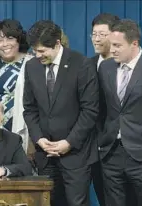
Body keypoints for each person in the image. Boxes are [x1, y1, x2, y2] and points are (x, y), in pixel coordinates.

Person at [23, 20, 99, 206]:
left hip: (75, 155)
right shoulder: (31, 66)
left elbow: (90, 110)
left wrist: (69, 142)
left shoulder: (81, 64)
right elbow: (30, 108)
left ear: (57, 43)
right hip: (45, 155)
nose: (37, 55)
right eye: (34, 50)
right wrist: (38, 139)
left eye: (42, 51)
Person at [98, 19, 142, 206]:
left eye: (117, 46)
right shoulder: (105, 68)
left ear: (134, 44)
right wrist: (101, 141)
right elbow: (101, 109)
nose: (112, 50)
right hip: (110, 153)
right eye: (110, 45)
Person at [0, 19, 32, 153]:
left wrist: (33, 140)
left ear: (19, 40)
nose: (5, 44)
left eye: (10, 38)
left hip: (24, 129)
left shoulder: (32, 63)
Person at [89, 12, 120, 206]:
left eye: (102, 34)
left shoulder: (124, 67)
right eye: (94, 34)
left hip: (117, 148)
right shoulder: (87, 65)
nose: (97, 39)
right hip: (92, 149)